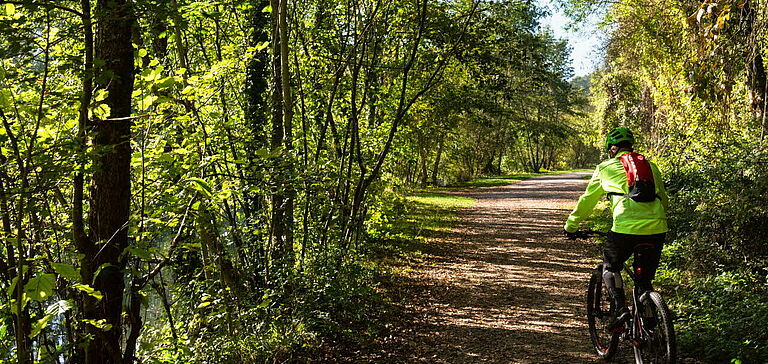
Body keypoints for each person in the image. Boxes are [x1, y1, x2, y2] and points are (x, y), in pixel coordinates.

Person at [563, 127, 669, 328]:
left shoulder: (605, 168)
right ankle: (649, 323)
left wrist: (571, 226)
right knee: (644, 281)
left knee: (610, 266)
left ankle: (621, 311)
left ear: (611, 149)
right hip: (657, 228)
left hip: (624, 228)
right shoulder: (651, 166)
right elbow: (663, 199)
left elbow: (588, 200)